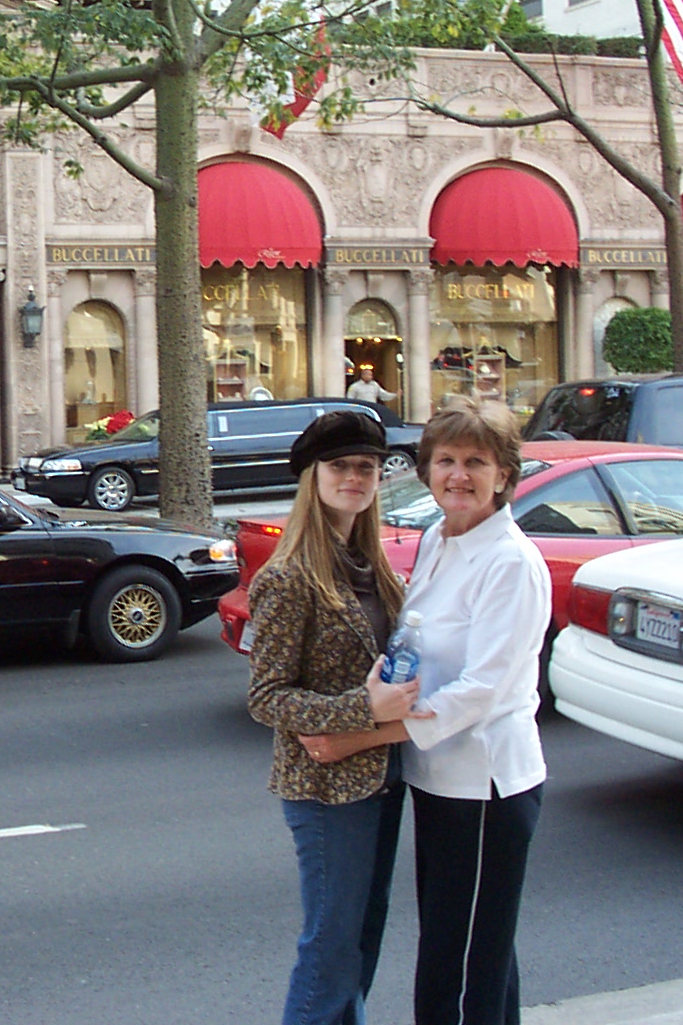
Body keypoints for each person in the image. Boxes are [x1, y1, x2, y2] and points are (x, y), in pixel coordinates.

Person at [304, 396, 551, 1025]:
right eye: (446, 461)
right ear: (426, 470)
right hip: (437, 779)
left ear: (505, 476)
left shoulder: (510, 562)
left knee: (458, 962)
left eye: (476, 462)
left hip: (484, 783)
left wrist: (361, 735)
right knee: (474, 948)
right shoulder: (441, 539)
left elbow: (478, 692)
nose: (458, 475)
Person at [245, 411, 424, 1025]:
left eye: (366, 467)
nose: (354, 477)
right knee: (331, 949)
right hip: (324, 791)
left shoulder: (374, 567)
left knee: (360, 940)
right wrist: (363, 708)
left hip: (383, 776)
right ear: (313, 477)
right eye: (340, 466)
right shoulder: (288, 576)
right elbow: (267, 696)